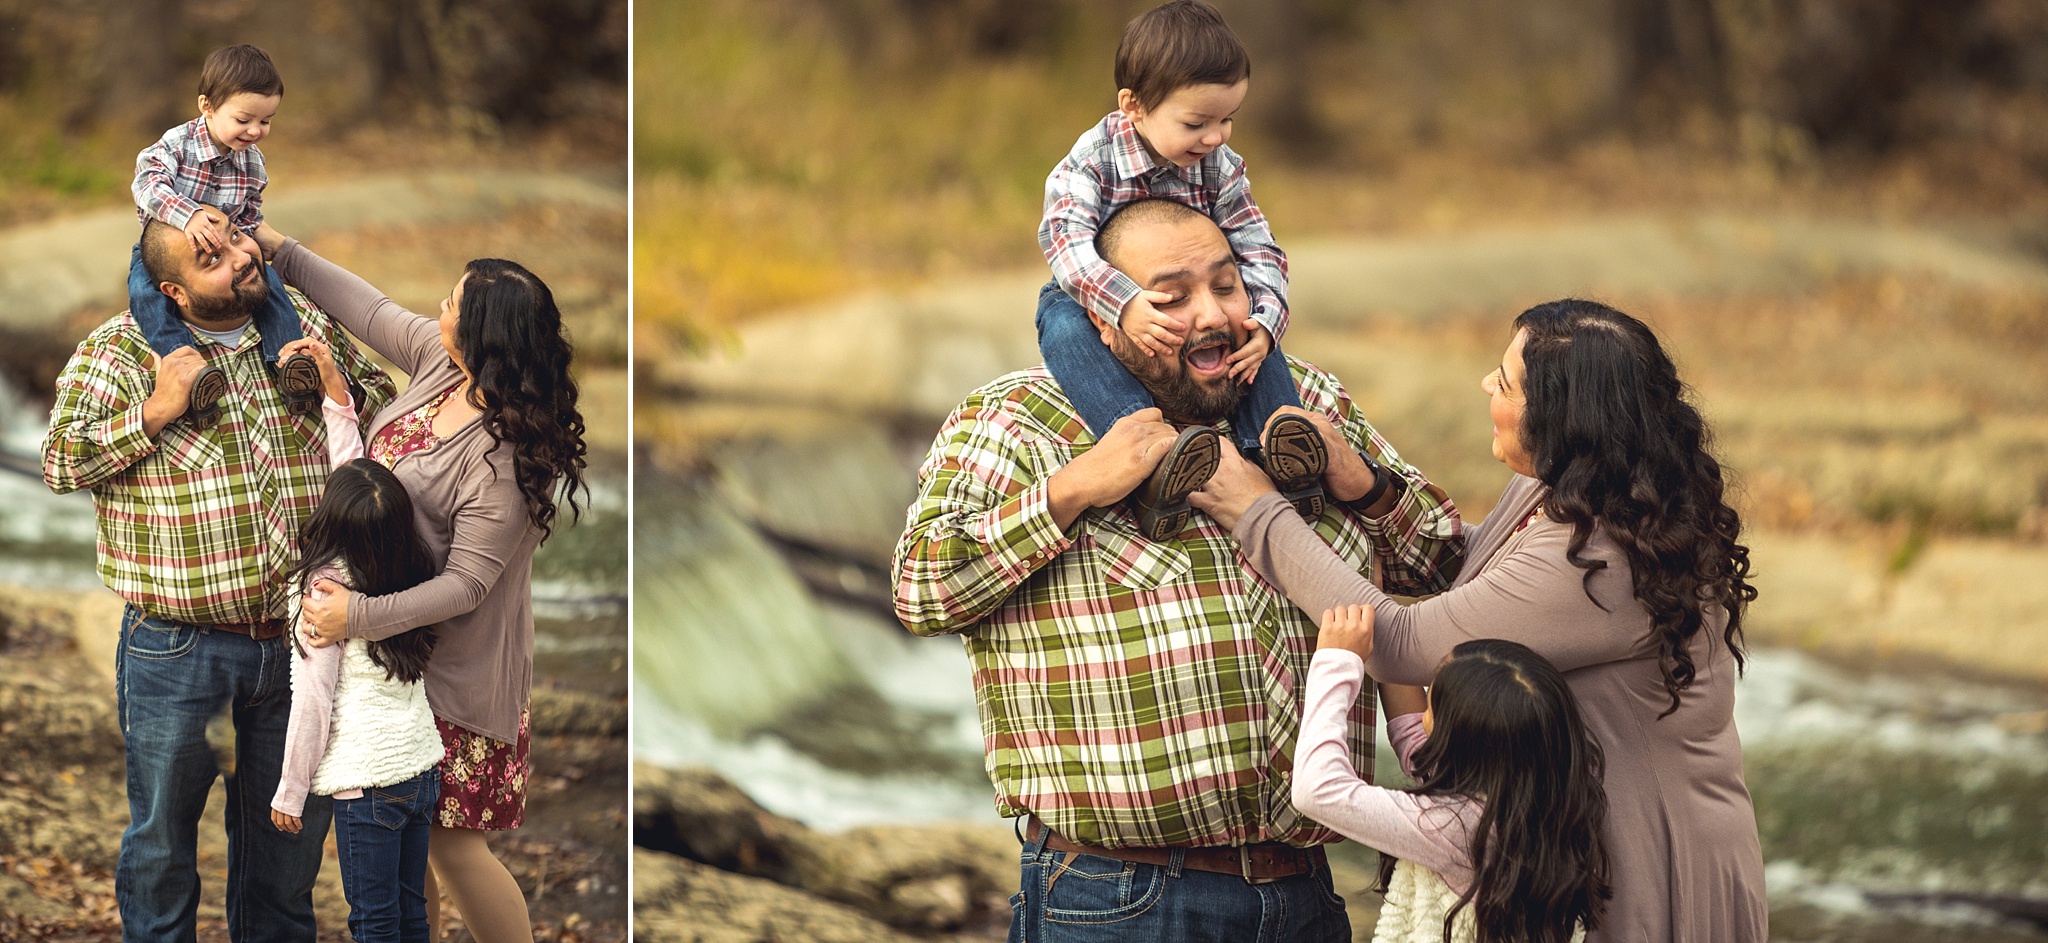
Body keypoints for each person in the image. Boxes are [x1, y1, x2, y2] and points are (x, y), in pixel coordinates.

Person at [892, 198, 1464, 942]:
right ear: (1103, 313)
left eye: (1227, 286)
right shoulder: (1017, 421)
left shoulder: (1306, 406)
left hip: (1305, 894)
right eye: (1172, 297)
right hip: (1115, 900)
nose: (1214, 315)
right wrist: (1076, 487)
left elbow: (1447, 568)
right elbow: (920, 591)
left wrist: (1364, 483)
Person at [1193, 299, 1768, 941]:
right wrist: (1369, 489)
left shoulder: (1604, 555)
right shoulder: (1582, 486)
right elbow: (1486, 582)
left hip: (1647, 855)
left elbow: (1401, 644)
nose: (1485, 385)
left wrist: (1256, 512)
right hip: (1578, 840)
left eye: (1505, 381)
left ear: (1563, 418)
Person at [42, 215, 396, 943]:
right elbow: (58, 461)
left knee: (285, 865)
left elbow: (386, 431)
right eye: (212, 258)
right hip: (178, 652)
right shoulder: (119, 350)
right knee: (162, 849)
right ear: (171, 289)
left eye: (238, 240)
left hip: (307, 650)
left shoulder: (303, 328)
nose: (240, 257)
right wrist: (153, 412)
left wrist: (340, 388)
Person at [252, 221, 587, 943]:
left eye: (451, 303)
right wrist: (282, 251)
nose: (436, 308)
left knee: (450, 843)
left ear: (485, 338)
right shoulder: (443, 363)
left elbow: (466, 585)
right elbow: (367, 309)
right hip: (398, 660)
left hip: (457, 670)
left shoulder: (503, 454)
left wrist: (356, 617)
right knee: (410, 849)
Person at [1038, 0, 1321, 540]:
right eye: (1197, 123)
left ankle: (1279, 451)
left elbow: (1257, 246)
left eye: (1228, 119)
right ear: (1135, 106)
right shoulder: (1092, 160)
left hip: (1194, 282)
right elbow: (1063, 238)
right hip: (1093, 289)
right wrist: (1122, 303)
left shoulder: (1221, 165)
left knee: (1245, 332)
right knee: (1062, 325)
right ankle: (1148, 450)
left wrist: (1265, 319)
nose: (1216, 137)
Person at [268, 338, 444, 943]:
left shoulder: (322, 598)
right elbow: (356, 476)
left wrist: (292, 792)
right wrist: (335, 395)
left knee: (373, 922)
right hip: (421, 768)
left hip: (367, 784)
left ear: (330, 518)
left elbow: (312, 703)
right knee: (410, 912)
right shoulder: (407, 571)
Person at [1295, 605, 1609, 943]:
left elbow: (1317, 789)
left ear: (1457, 740)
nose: (1423, 706)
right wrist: (1384, 621)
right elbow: (1419, 746)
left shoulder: (1454, 827)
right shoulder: (1545, 800)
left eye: (1430, 701)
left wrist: (1337, 661)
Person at [129, 44, 320, 427]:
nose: (255, 131)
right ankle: (186, 364)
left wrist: (243, 240)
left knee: (273, 291)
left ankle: (288, 361)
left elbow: (250, 207)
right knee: (144, 295)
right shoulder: (177, 145)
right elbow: (146, 183)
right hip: (169, 247)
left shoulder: (253, 162)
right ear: (207, 106)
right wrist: (188, 215)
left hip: (227, 246)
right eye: (244, 119)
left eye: (266, 121)